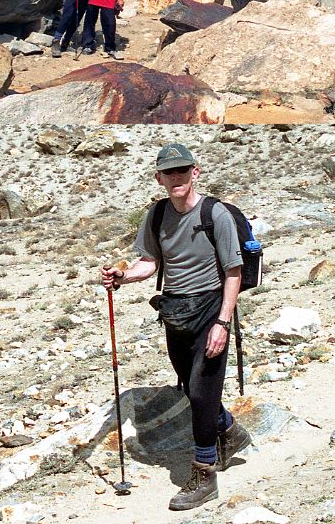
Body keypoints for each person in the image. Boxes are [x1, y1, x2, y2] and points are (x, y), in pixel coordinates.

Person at [100, 143, 252, 511]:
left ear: (195, 172)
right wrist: (123, 276)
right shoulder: (156, 215)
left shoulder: (216, 214)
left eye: (182, 170)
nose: (176, 177)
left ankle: (204, 472)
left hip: (211, 309)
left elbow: (234, 271)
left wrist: (222, 322)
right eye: (169, 172)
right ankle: (229, 431)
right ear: (159, 177)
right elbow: (149, 262)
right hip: (175, 311)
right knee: (189, 387)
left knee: (202, 390)